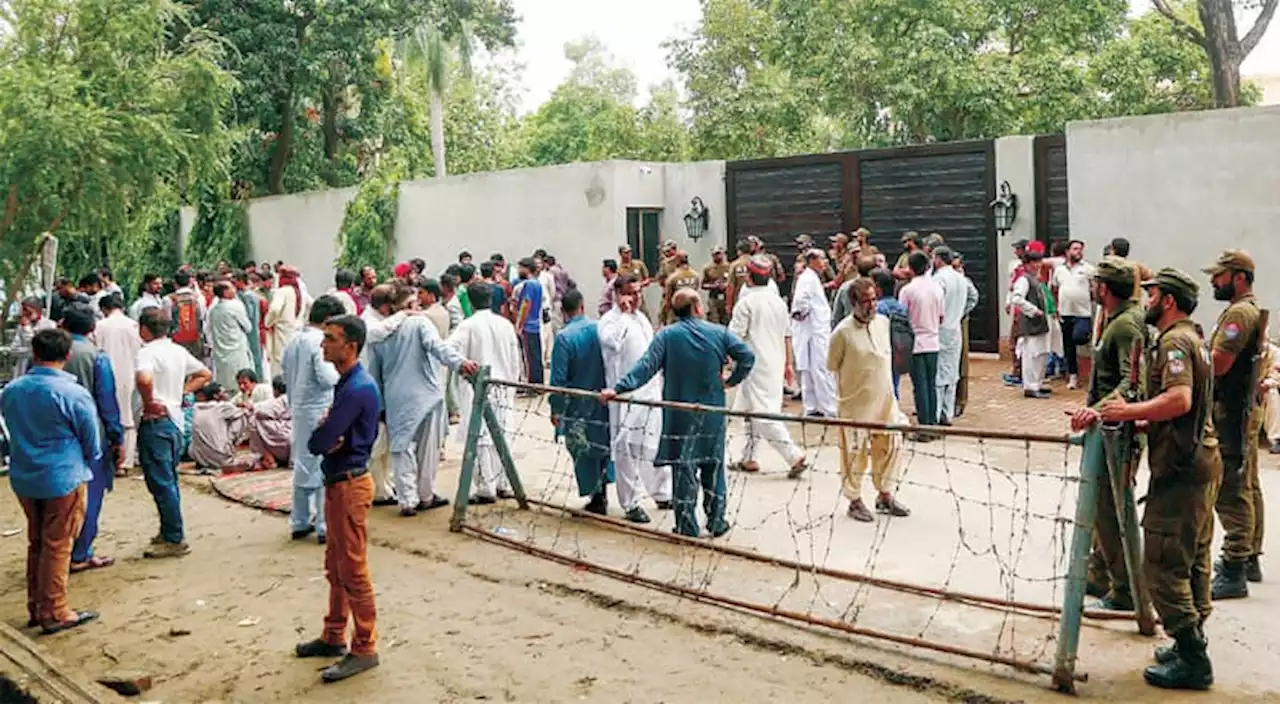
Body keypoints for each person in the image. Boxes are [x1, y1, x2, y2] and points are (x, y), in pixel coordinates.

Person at [1097, 268, 1219, 691]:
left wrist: (1127, 413)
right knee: (1193, 557)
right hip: (1198, 457)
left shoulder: (1174, 342)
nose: (1145, 300)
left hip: (1182, 467)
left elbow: (1180, 399)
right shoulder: (1193, 338)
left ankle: (1192, 656)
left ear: (1167, 301)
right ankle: (1191, 639)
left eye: (1151, 295)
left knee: (1163, 563)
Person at [599, 289, 755, 539]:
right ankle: (716, 520)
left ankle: (686, 524)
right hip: (712, 412)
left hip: (678, 414)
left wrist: (618, 388)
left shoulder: (667, 336)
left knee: (683, 469)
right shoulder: (718, 333)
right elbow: (747, 357)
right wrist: (730, 380)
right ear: (697, 307)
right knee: (713, 466)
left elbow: (645, 367)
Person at [294, 315, 382, 683]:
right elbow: (326, 439)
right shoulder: (350, 384)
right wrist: (329, 436)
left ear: (350, 346)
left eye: (330, 339)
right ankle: (334, 634)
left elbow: (318, 440)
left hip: (348, 483)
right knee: (336, 565)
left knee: (352, 569)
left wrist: (328, 434)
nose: (323, 344)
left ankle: (364, 646)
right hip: (340, 480)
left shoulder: (357, 388)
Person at [1, 329, 101, 634]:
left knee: (38, 541)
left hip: (26, 474)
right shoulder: (72, 393)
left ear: (34, 353)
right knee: (58, 544)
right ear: (67, 356)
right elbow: (90, 437)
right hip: (63, 475)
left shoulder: (13, 390)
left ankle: (37, 605)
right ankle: (55, 609)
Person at [1068, 258, 1146, 610]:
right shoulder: (1115, 321)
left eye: (1096, 282)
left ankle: (1125, 589)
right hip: (1106, 432)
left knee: (1112, 511)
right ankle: (1101, 576)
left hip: (1117, 435)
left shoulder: (1126, 325)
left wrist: (1095, 410)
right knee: (1101, 509)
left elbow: (1133, 384)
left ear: (1104, 287)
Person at [369, 287, 475, 516]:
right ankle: (425, 495)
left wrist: (380, 408)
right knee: (428, 450)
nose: (419, 307)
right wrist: (461, 363)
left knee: (400, 449)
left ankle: (407, 500)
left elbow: (374, 375)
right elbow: (438, 348)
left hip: (396, 399)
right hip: (427, 396)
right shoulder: (420, 324)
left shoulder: (379, 334)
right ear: (406, 306)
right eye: (415, 303)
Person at [1203, 250, 1267, 597]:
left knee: (1231, 488)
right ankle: (1248, 556)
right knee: (1247, 483)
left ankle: (1234, 568)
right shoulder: (1245, 310)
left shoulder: (1239, 314)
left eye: (1220, 275)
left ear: (1238, 277)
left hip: (1230, 411)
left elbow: (1220, 363)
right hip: (1240, 408)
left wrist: (1197, 362)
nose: (1214, 281)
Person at [829, 278, 911, 522]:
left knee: (892, 446)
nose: (872, 305)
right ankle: (854, 500)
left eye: (874, 299)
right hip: (854, 405)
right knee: (854, 454)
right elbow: (831, 364)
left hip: (885, 401)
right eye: (865, 301)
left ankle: (884, 494)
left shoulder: (883, 324)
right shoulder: (842, 332)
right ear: (853, 303)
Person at [135, 307, 212, 558]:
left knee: (160, 480)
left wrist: (150, 401)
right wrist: (181, 392)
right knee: (168, 478)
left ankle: (174, 536)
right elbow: (205, 373)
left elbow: (145, 380)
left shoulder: (146, 353)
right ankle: (169, 528)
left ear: (144, 329)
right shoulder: (178, 351)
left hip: (156, 420)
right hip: (175, 419)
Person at [56, 304, 124, 574]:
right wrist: (116, 435)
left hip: (54, 434)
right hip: (90, 434)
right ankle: (81, 551)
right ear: (92, 328)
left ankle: (58, 551)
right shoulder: (96, 357)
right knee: (90, 495)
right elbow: (107, 401)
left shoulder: (45, 354)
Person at [598, 276, 672, 516]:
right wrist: (622, 313)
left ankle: (661, 493)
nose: (637, 298)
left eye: (639, 292)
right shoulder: (609, 321)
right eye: (631, 293)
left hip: (651, 392)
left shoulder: (642, 319)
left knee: (652, 443)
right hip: (624, 395)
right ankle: (631, 503)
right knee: (626, 447)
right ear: (619, 294)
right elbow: (612, 344)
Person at [728, 256, 808, 477]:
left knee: (763, 414)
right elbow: (787, 335)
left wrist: (725, 362)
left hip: (753, 364)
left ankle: (793, 455)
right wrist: (788, 364)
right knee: (750, 411)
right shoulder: (778, 302)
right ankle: (749, 457)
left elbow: (733, 338)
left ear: (749, 278)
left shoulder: (745, 303)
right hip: (775, 362)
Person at [550, 290, 625, 518]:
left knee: (582, 451)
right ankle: (602, 491)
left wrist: (556, 408)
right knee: (603, 446)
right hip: (602, 398)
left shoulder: (564, 338)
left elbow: (558, 380)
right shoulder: (598, 329)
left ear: (563, 311)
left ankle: (596, 496)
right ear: (583, 306)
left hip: (577, 404)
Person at [448, 283, 519, 503]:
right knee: (502, 433)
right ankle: (503, 483)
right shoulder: (505, 324)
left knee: (480, 437)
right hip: (503, 385)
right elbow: (516, 359)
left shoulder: (467, 326)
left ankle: (486, 487)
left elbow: (448, 350)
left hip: (477, 388)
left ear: (469, 301)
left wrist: (463, 365)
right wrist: (513, 384)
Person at [283, 296, 347, 539]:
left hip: (298, 407)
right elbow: (326, 377)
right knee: (324, 464)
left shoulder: (294, 340)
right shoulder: (319, 343)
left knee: (302, 463)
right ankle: (324, 525)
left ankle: (299, 520)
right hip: (319, 406)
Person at [359, 285, 399, 506]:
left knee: (386, 443)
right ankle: (379, 490)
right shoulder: (370, 323)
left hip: (380, 386)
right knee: (378, 443)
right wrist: (403, 316)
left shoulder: (376, 320)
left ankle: (386, 485)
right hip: (372, 388)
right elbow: (379, 332)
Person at [898, 251, 944, 429]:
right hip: (933, 341)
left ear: (910, 268)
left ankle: (924, 425)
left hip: (915, 341)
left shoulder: (907, 290)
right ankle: (932, 422)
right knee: (931, 384)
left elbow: (902, 317)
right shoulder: (937, 288)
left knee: (920, 385)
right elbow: (941, 317)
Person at [96, 294, 141, 471]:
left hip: (105, 375)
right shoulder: (133, 325)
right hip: (130, 374)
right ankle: (126, 461)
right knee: (128, 417)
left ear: (104, 309)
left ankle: (111, 459)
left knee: (107, 415)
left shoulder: (100, 326)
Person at [791, 249, 839, 418]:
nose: (825, 262)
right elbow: (801, 301)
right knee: (819, 368)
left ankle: (813, 406)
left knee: (814, 369)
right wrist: (802, 312)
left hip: (815, 328)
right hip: (813, 329)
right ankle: (828, 408)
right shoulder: (807, 278)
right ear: (812, 260)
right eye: (822, 259)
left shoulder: (812, 277)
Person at [932, 247, 977, 425]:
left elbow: (935, 302)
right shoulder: (961, 278)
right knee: (952, 373)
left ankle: (936, 414)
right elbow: (973, 296)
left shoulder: (939, 279)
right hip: (955, 328)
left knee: (938, 374)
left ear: (938, 259)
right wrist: (961, 313)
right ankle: (948, 412)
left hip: (940, 329)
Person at [1008, 241, 1053, 399]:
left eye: (1038, 262)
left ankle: (1038, 383)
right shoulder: (1024, 280)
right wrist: (1033, 311)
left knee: (1041, 354)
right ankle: (1030, 385)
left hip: (1040, 322)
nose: (1037, 265)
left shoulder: (1036, 279)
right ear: (1026, 264)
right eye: (1033, 262)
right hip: (1031, 322)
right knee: (1031, 354)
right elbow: (1017, 298)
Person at [1052, 239, 1095, 390]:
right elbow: (1055, 289)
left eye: (1080, 249)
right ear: (1067, 251)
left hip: (1083, 312)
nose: (1078, 252)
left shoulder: (1088, 269)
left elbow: (1094, 287)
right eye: (1075, 249)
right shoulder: (1059, 270)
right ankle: (1073, 376)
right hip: (1065, 312)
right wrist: (1055, 307)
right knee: (1068, 345)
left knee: (1079, 336)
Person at [188, 382, 249, 470]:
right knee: (243, 416)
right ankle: (229, 445)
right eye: (224, 392)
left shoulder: (196, 408)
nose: (227, 394)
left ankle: (205, 459)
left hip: (199, 457)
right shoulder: (222, 407)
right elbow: (244, 411)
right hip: (221, 456)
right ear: (216, 396)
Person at [869, 268, 909, 399]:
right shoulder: (900, 306)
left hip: (881, 350)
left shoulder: (879, 307)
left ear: (878, 288)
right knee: (893, 384)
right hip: (898, 349)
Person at [266, 265, 311, 376]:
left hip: (283, 332)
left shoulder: (282, 292)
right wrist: (304, 320)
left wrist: (268, 322)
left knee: (280, 365)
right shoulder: (302, 292)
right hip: (298, 331)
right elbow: (312, 305)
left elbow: (275, 309)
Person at [208, 281, 254, 389]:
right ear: (225, 292)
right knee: (240, 377)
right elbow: (248, 327)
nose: (234, 290)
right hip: (236, 348)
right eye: (231, 288)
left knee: (224, 381)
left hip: (220, 350)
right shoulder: (236, 306)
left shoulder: (214, 309)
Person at [245, 376, 292, 470]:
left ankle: (266, 455)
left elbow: (260, 410)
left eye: (245, 383)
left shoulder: (282, 399)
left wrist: (249, 406)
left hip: (288, 438)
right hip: (298, 436)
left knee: (253, 419)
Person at [1002, 238, 1030, 387]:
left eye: (1018, 249)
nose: (1015, 252)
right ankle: (1018, 371)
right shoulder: (1016, 267)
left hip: (1022, 310)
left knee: (1016, 341)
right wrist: (1008, 302)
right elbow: (1011, 287)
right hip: (1018, 309)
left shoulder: (1024, 270)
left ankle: (1019, 373)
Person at [514, 258, 545, 386]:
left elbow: (526, 304)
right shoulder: (537, 284)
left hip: (528, 325)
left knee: (528, 358)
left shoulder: (529, 285)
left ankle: (531, 385)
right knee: (536, 356)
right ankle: (538, 383)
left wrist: (519, 324)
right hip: (536, 324)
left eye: (520, 267)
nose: (518, 270)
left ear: (526, 268)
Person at [167, 270, 208, 362]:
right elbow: (203, 316)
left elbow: (167, 320)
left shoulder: (168, 299)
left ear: (175, 283)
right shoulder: (199, 298)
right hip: (196, 340)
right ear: (190, 283)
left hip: (176, 341)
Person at [11, 296, 57, 376]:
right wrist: (30, 351)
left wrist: (27, 329)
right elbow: (14, 349)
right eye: (23, 310)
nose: (24, 314)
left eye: (27, 310)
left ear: (37, 310)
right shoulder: (22, 326)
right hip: (23, 369)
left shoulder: (50, 325)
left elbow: (39, 348)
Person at [233, 272, 266, 380]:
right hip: (250, 328)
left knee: (254, 355)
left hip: (250, 330)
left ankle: (258, 378)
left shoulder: (248, 296)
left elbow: (249, 314)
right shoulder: (246, 294)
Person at [661, 251, 700, 326]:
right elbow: (696, 291)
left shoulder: (673, 278)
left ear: (677, 261)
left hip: (676, 313)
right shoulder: (696, 275)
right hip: (692, 312)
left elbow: (668, 299)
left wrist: (665, 315)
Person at [616, 244, 652, 320]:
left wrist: (640, 284)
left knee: (645, 317)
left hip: (639, 297)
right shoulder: (619, 270)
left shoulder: (639, 264)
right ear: (620, 254)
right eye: (625, 253)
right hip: (627, 298)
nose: (628, 255)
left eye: (629, 252)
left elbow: (648, 280)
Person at [701, 246, 731, 324]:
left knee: (726, 319)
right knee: (714, 319)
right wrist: (713, 286)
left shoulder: (729, 267)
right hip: (713, 297)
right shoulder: (708, 268)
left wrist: (725, 285)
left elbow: (732, 282)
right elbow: (703, 285)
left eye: (719, 254)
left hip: (726, 297)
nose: (718, 256)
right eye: (716, 254)